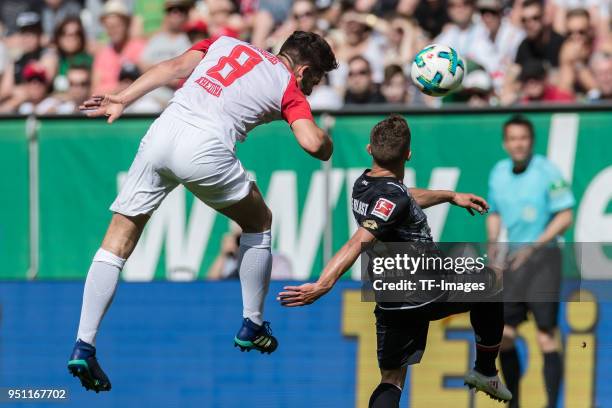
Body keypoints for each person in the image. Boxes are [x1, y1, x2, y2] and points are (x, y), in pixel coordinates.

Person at [67, 30, 338, 392]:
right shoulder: (288, 84)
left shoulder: (227, 43)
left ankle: (84, 344)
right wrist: (326, 144)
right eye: (316, 80)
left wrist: (123, 98)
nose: (312, 88)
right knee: (260, 221)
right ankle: (253, 323)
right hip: (205, 147)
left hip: (163, 131)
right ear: (303, 71)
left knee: (117, 240)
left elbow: (172, 67)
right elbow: (311, 142)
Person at [278, 115, 513, 407]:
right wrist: (322, 284)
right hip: (426, 288)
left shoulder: (363, 185)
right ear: (409, 155)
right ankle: (486, 370)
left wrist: (450, 195)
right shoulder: (394, 199)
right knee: (494, 279)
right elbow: (358, 241)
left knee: (391, 379)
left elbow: (403, 197)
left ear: (369, 149)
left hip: (391, 297)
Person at [486, 115, 574, 408]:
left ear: (531, 141)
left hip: (543, 260)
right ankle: (516, 402)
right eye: (512, 139)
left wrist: (534, 247)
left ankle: (551, 404)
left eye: (523, 138)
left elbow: (565, 215)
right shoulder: (498, 172)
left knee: (546, 336)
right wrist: (494, 245)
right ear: (504, 143)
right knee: (504, 336)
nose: (518, 144)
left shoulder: (548, 171)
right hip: (513, 261)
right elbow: (494, 213)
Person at [91, 0, 146, 95]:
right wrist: (120, 88)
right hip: (108, 103)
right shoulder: (103, 53)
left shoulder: (140, 47)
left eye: (117, 25)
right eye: (109, 27)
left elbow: (147, 79)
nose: (113, 30)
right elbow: (94, 91)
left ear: (126, 24)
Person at [515, 0, 565, 69]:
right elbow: (515, 71)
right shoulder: (524, 46)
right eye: (524, 20)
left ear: (544, 17)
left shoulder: (560, 44)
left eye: (535, 18)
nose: (529, 24)